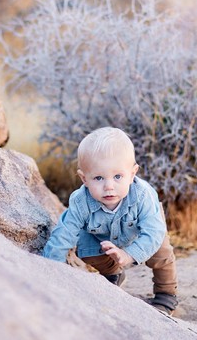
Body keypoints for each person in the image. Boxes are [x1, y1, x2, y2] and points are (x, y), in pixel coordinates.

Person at [42, 126, 179, 315]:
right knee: (85, 248)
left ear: (132, 174)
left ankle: (166, 295)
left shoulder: (142, 196)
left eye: (117, 177)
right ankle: (113, 273)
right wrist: (50, 269)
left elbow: (153, 233)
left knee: (161, 255)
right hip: (101, 235)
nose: (108, 187)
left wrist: (129, 255)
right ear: (84, 179)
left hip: (144, 230)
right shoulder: (81, 201)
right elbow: (63, 235)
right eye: (98, 177)